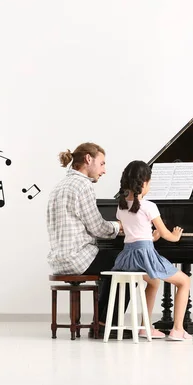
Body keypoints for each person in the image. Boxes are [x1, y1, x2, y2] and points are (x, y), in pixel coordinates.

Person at [46, 142, 131, 337]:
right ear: (88, 159)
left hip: (59, 260)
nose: (104, 170)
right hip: (77, 259)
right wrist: (120, 226)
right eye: (102, 164)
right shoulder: (82, 185)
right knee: (128, 262)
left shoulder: (59, 186)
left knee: (113, 261)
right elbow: (98, 227)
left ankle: (100, 322)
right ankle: (105, 325)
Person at [112, 160, 193, 341]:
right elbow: (166, 234)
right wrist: (175, 236)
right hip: (145, 255)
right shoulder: (149, 206)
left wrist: (152, 237)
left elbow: (136, 232)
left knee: (154, 282)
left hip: (128, 257)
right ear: (144, 183)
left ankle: (145, 327)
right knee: (184, 281)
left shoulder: (121, 206)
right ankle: (178, 329)